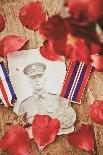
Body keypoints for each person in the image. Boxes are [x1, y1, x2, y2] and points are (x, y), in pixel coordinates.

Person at [18, 62, 76, 135]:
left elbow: (69, 123)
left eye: (39, 76)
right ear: (29, 81)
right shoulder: (24, 105)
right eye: (33, 78)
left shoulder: (59, 99)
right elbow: (21, 130)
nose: (37, 80)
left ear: (44, 78)